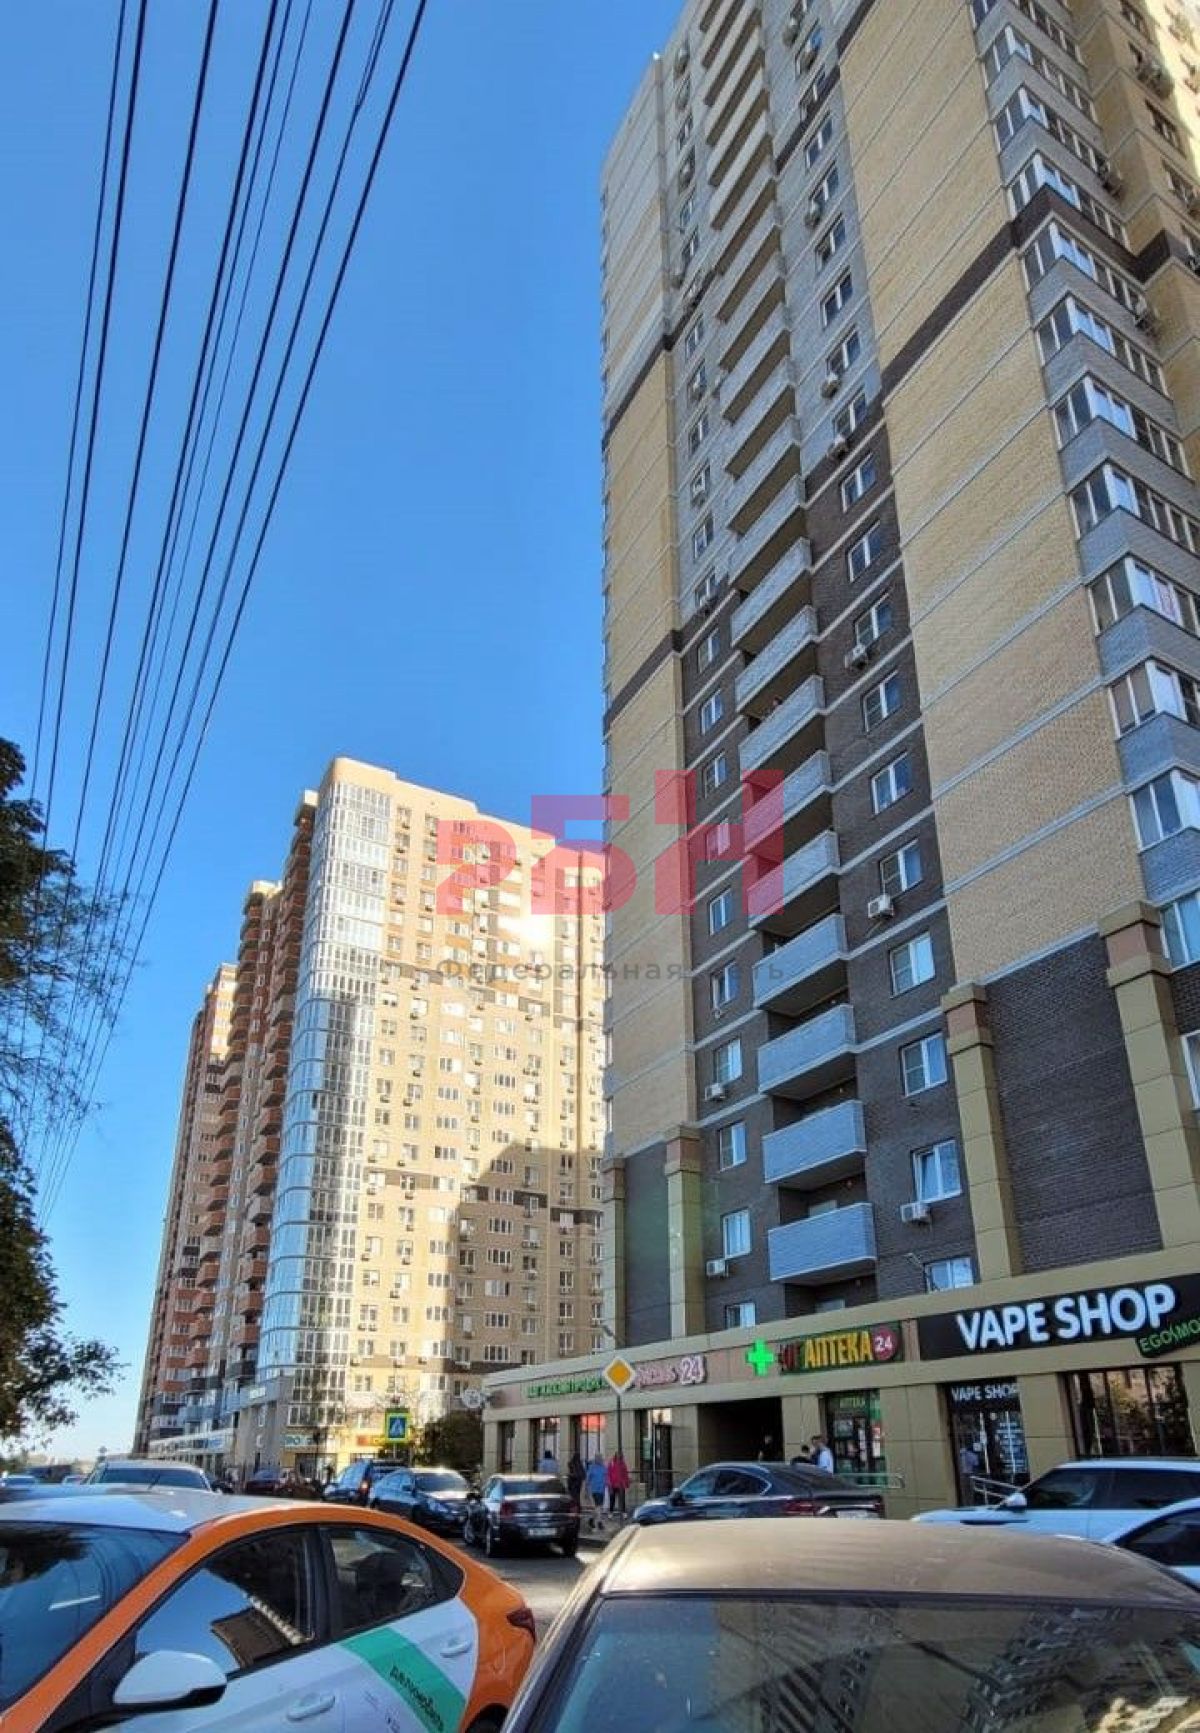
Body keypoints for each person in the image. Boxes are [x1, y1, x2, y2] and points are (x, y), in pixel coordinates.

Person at [606, 1448, 630, 1516]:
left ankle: (623, 1512)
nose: (619, 1456)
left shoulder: (623, 1464)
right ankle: (611, 1512)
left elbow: (625, 1474)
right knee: (612, 1499)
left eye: (620, 1455)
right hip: (613, 1484)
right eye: (618, 1455)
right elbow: (608, 1473)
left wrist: (626, 1483)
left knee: (622, 1499)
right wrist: (609, 1483)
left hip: (620, 1484)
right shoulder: (612, 1463)